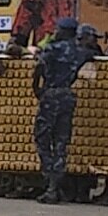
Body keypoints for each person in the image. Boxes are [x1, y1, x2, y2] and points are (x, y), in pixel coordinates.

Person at [32, 17, 93, 204]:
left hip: (51, 94)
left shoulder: (53, 48)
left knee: (43, 139)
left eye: (57, 28)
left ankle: (50, 183)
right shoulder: (81, 52)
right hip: (68, 95)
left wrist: (37, 89)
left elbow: (39, 68)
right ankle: (54, 186)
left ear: (65, 31)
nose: (55, 31)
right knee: (61, 143)